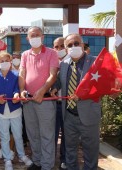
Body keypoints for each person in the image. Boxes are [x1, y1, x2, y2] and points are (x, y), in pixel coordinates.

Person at [51, 33, 101, 170]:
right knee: (70, 152)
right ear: (66, 49)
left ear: (83, 44)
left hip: (89, 116)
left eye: (76, 43)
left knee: (90, 152)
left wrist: (82, 95)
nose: (74, 47)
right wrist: (55, 88)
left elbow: (101, 87)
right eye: (70, 45)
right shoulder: (64, 65)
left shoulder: (95, 62)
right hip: (69, 116)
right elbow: (60, 81)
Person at [19, 26, 59, 170]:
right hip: (28, 101)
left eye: (37, 35)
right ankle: (37, 161)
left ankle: (47, 166)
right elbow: (22, 74)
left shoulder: (51, 53)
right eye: (32, 35)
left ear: (42, 37)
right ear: (27, 38)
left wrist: (42, 91)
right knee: (32, 134)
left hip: (45, 100)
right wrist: (22, 90)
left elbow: (53, 75)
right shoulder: (24, 54)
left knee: (47, 134)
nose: (35, 37)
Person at [0, 52, 33, 170]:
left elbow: (17, 89)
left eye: (6, 60)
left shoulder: (15, 75)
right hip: (0, 111)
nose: (4, 63)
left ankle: (21, 155)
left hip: (15, 109)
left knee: (18, 134)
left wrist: (16, 95)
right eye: (2, 61)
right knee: (4, 136)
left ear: (10, 62)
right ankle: (7, 158)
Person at [52, 37, 67, 170]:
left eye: (62, 46)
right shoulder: (52, 62)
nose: (59, 49)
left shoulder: (72, 62)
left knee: (67, 134)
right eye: (56, 47)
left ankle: (64, 159)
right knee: (53, 133)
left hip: (68, 105)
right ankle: (50, 159)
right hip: (54, 104)